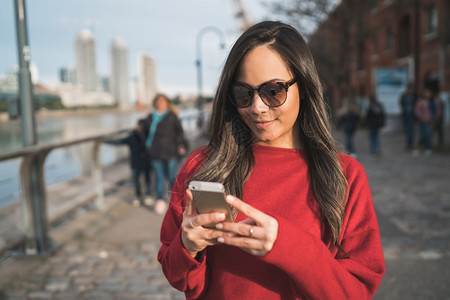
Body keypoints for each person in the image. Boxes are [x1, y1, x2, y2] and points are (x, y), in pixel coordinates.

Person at [157, 21, 385, 299]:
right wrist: (187, 246)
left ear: (304, 85)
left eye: (273, 91)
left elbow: (355, 292)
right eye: (243, 93)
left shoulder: (345, 175)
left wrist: (288, 247)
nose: (257, 107)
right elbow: (177, 276)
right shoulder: (202, 166)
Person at [144, 93, 187, 215]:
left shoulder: (172, 116)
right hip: (155, 152)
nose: (160, 103)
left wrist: (180, 145)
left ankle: (178, 199)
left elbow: (180, 132)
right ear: (155, 103)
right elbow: (144, 131)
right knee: (158, 176)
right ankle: (159, 200)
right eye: (158, 101)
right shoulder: (150, 117)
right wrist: (147, 148)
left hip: (171, 151)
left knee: (171, 175)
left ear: (166, 103)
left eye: (162, 101)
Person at [104, 119, 153, 207]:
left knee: (147, 179)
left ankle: (148, 195)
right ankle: (138, 196)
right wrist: (105, 141)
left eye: (142, 126)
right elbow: (119, 141)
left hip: (147, 162)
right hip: (135, 162)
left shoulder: (150, 136)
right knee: (136, 180)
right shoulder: (132, 137)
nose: (140, 128)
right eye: (139, 126)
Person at [414, 89, 433, 155]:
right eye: (427, 93)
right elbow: (417, 111)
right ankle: (421, 146)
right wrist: (422, 117)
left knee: (428, 134)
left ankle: (427, 148)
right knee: (424, 134)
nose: (429, 95)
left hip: (429, 121)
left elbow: (432, 111)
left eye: (429, 94)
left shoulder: (430, 102)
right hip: (423, 121)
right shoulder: (420, 102)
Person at [399, 83, 417, 150]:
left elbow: (416, 104)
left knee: (411, 129)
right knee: (406, 130)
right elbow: (401, 103)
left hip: (412, 115)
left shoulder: (414, 96)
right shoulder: (404, 96)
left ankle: (410, 143)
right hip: (405, 115)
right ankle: (408, 143)